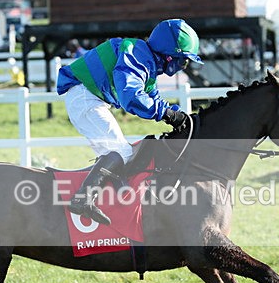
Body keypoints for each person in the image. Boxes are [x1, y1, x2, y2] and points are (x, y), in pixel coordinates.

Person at [57, 18, 203, 225]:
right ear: (169, 55)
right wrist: (167, 114)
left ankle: (118, 195)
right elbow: (131, 97)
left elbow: (153, 98)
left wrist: (176, 114)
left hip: (88, 98)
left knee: (120, 154)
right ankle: (82, 200)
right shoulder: (136, 54)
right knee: (121, 152)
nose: (184, 65)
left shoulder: (147, 61)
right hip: (84, 97)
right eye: (183, 59)